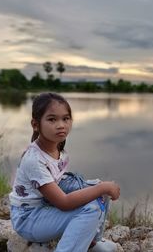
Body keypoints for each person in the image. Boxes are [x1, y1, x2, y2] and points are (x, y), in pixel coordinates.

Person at [9, 92, 120, 252]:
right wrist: (103, 189)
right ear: (35, 124)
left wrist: (99, 188)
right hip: (29, 219)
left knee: (96, 189)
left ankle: (90, 243)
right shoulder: (34, 160)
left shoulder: (57, 147)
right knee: (92, 205)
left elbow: (58, 182)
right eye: (52, 119)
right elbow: (64, 203)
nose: (61, 125)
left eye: (65, 119)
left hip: (44, 204)